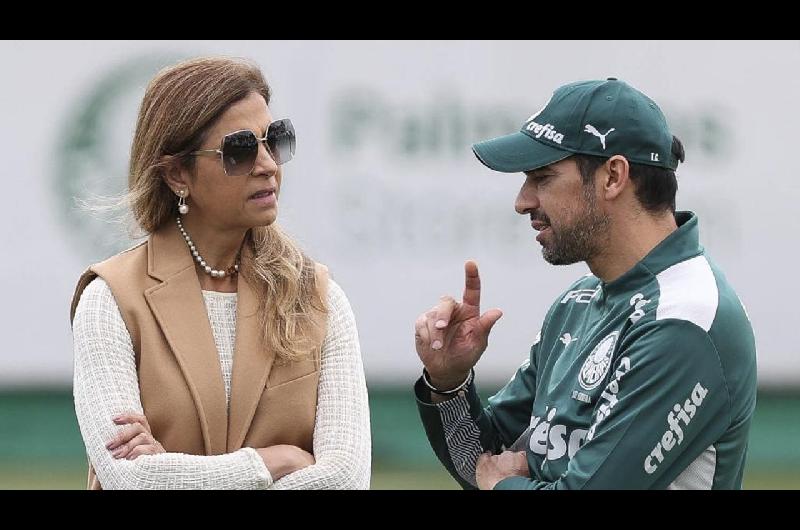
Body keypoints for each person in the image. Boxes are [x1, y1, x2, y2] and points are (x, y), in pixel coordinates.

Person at [413, 78, 757, 490]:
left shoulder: (684, 321)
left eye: (542, 177)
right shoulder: (577, 301)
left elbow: (494, 477)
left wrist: (500, 486)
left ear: (613, 176)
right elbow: (483, 458)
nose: (522, 201)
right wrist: (448, 383)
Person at [70, 56, 370, 489]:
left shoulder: (319, 297)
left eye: (275, 140)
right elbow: (132, 480)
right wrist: (276, 461)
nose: (268, 164)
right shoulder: (109, 299)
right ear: (177, 174)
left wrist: (176, 469)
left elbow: (346, 479)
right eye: (241, 150)